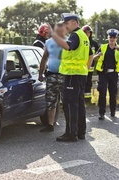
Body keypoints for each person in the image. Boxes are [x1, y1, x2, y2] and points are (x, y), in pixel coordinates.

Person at [46, 13, 93, 142]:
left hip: (72, 75)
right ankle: (80, 132)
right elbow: (90, 54)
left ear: (73, 22)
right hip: (81, 74)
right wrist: (86, 69)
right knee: (79, 104)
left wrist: (53, 34)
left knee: (70, 104)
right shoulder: (84, 36)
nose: (65, 26)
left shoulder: (76, 35)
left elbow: (67, 46)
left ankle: (71, 134)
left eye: (66, 23)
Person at [38, 22, 66, 132]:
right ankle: (50, 124)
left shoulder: (69, 41)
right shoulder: (49, 42)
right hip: (52, 75)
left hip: (65, 75)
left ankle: (70, 126)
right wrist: (40, 73)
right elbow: (44, 58)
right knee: (50, 100)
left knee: (67, 101)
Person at [93, 29, 119, 120]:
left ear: (116, 38)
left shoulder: (118, 48)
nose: (112, 39)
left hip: (114, 74)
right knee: (102, 92)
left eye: (114, 37)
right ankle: (102, 113)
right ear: (108, 38)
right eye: (110, 37)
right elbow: (94, 58)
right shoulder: (103, 47)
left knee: (113, 93)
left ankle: (112, 111)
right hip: (103, 73)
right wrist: (98, 55)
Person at [82, 25, 100, 99]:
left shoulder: (94, 44)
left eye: (89, 32)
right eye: (85, 32)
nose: (87, 34)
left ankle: (88, 99)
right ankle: (81, 99)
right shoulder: (80, 42)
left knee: (89, 83)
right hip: (82, 67)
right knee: (81, 83)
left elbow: (98, 54)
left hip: (91, 68)